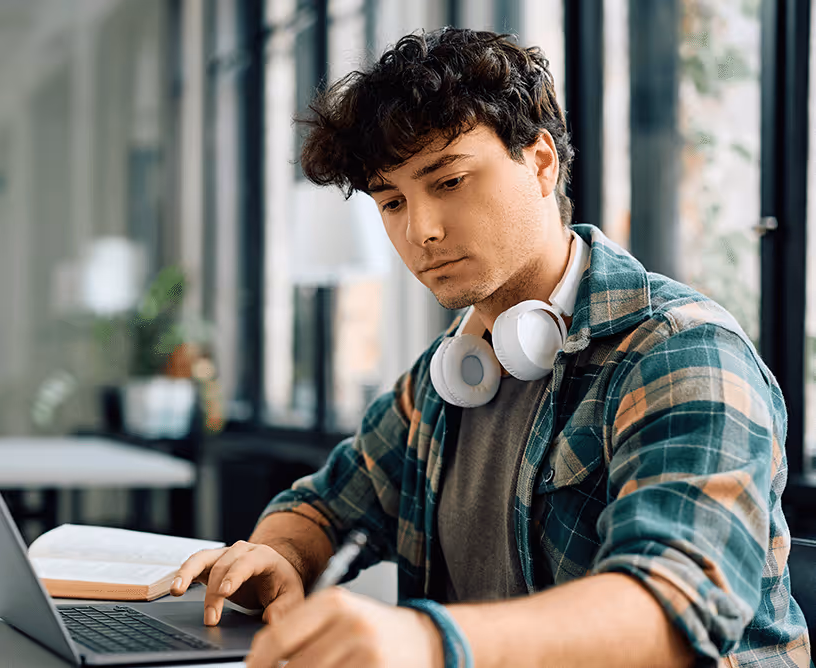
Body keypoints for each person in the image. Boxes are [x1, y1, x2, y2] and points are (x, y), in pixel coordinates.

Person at [171, 28, 811, 667]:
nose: (420, 230)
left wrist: (427, 641)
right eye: (391, 201)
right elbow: (320, 502)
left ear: (539, 162)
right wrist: (279, 556)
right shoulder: (445, 377)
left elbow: (673, 614)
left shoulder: (682, 354)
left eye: (447, 182)